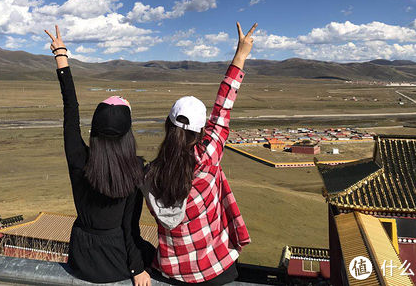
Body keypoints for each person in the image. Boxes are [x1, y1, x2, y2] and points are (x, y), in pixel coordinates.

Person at [143, 22, 257, 285]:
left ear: (167, 126)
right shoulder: (208, 157)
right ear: (202, 130)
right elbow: (222, 110)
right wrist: (240, 55)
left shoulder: (150, 175)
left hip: (172, 272)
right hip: (216, 267)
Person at [45, 25, 152, 286]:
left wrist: (61, 55)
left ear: (94, 130)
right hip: (118, 262)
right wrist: (137, 268)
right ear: (128, 136)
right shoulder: (136, 169)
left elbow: (70, 108)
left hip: (81, 259)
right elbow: (130, 227)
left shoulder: (78, 160)